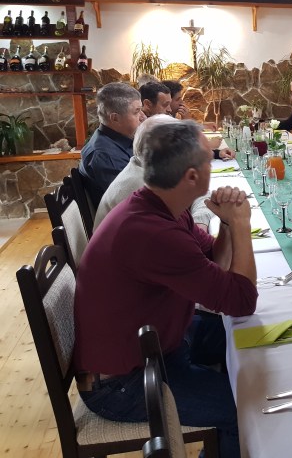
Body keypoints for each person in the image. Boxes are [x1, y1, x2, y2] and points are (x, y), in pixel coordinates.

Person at [75, 120, 258, 458]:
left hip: (158, 343)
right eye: (209, 158)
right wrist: (242, 225)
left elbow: (213, 261)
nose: (215, 162)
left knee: (250, 341)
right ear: (192, 176)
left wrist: (227, 224)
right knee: (245, 409)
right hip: (125, 382)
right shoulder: (153, 232)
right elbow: (242, 300)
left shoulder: (160, 206)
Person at [93, 114, 214, 231]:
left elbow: (198, 192)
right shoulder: (146, 186)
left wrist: (200, 220)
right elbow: (179, 238)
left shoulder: (145, 169)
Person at [79, 82, 146, 209]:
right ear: (115, 118)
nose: (143, 117)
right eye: (136, 112)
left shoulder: (120, 140)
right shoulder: (104, 154)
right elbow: (135, 201)